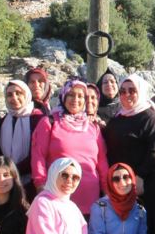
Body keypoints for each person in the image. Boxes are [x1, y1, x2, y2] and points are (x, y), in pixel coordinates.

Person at [102, 75, 155, 234]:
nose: (126, 95)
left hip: (146, 186)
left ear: (141, 92)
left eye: (132, 90)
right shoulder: (117, 119)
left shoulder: (150, 119)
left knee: (146, 231)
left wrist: (139, 176)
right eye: (123, 91)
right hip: (121, 186)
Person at [31, 79, 110, 213]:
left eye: (80, 96)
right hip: (58, 198)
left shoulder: (93, 127)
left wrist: (108, 192)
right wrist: (40, 184)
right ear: (63, 96)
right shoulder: (49, 122)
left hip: (90, 199)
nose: (75, 99)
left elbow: (101, 162)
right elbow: (38, 155)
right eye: (71, 95)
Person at [0, 80, 35, 184]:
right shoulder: (3, 121)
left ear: (27, 95)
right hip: (6, 180)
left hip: (29, 179)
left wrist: (14, 170)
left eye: (18, 93)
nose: (14, 98)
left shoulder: (36, 119)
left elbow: (36, 153)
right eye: (9, 95)